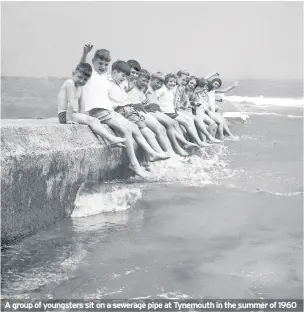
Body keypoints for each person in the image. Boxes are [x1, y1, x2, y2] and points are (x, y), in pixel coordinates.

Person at [79, 42, 167, 178]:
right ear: (93, 62)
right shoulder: (91, 75)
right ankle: (134, 164)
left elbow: (117, 88)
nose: (102, 67)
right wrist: (85, 53)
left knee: (133, 127)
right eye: (99, 63)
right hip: (98, 111)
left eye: (105, 64)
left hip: (108, 110)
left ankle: (151, 153)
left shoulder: (105, 77)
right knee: (125, 130)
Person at [106, 60, 170, 158]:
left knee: (148, 131)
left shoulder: (123, 83)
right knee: (147, 131)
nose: (135, 75)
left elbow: (124, 95)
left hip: (129, 111)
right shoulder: (117, 82)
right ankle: (157, 154)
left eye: (137, 73)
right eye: (133, 73)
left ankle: (157, 154)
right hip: (125, 111)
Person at [57, 62, 126, 147]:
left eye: (85, 79)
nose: (82, 81)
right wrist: (69, 120)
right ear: (74, 73)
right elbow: (70, 102)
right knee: (92, 120)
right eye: (79, 77)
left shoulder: (80, 86)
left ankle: (109, 141)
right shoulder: (70, 83)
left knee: (95, 120)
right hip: (65, 114)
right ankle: (111, 138)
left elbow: (82, 102)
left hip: (73, 114)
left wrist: (82, 116)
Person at [145, 72, 200, 156]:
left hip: (168, 111)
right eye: (170, 81)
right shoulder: (160, 90)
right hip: (164, 112)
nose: (173, 83)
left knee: (177, 124)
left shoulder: (169, 90)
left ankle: (185, 144)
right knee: (175, 123)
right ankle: (183, 145)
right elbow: (155, 99)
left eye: (174, 82)